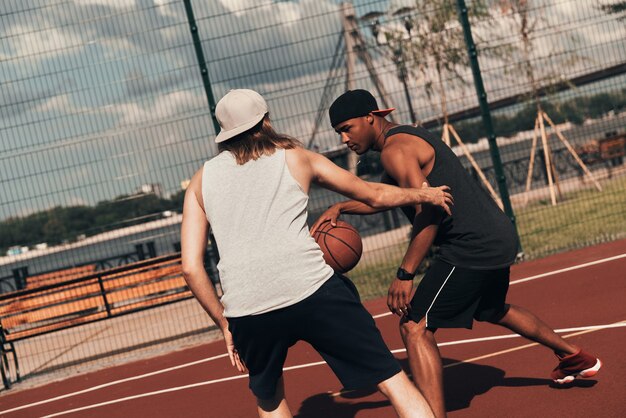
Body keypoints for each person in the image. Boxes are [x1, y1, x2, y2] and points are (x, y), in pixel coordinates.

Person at [312, 89, 602, 418]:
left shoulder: (396, 151)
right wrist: (342, 206)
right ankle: (574, 356)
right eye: (339, 132)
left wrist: (405, 274)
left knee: (414, 327)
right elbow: (389, 196)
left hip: (469, 245)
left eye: (347, 128)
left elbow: (429, 212)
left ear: (370, 117)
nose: (344, 138)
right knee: (492, 309)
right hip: (495, 234)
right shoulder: (404, 136)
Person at [181, 89, 455, 417]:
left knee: (269, 401)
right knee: (391, 379)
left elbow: (191, 268)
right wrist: (423, 195)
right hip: (312, 289)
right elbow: (373, 194)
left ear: (224, 134)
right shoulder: (294, 156)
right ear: (266, 121)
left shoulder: (200, 181)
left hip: (247, 306)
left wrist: (226, 324)